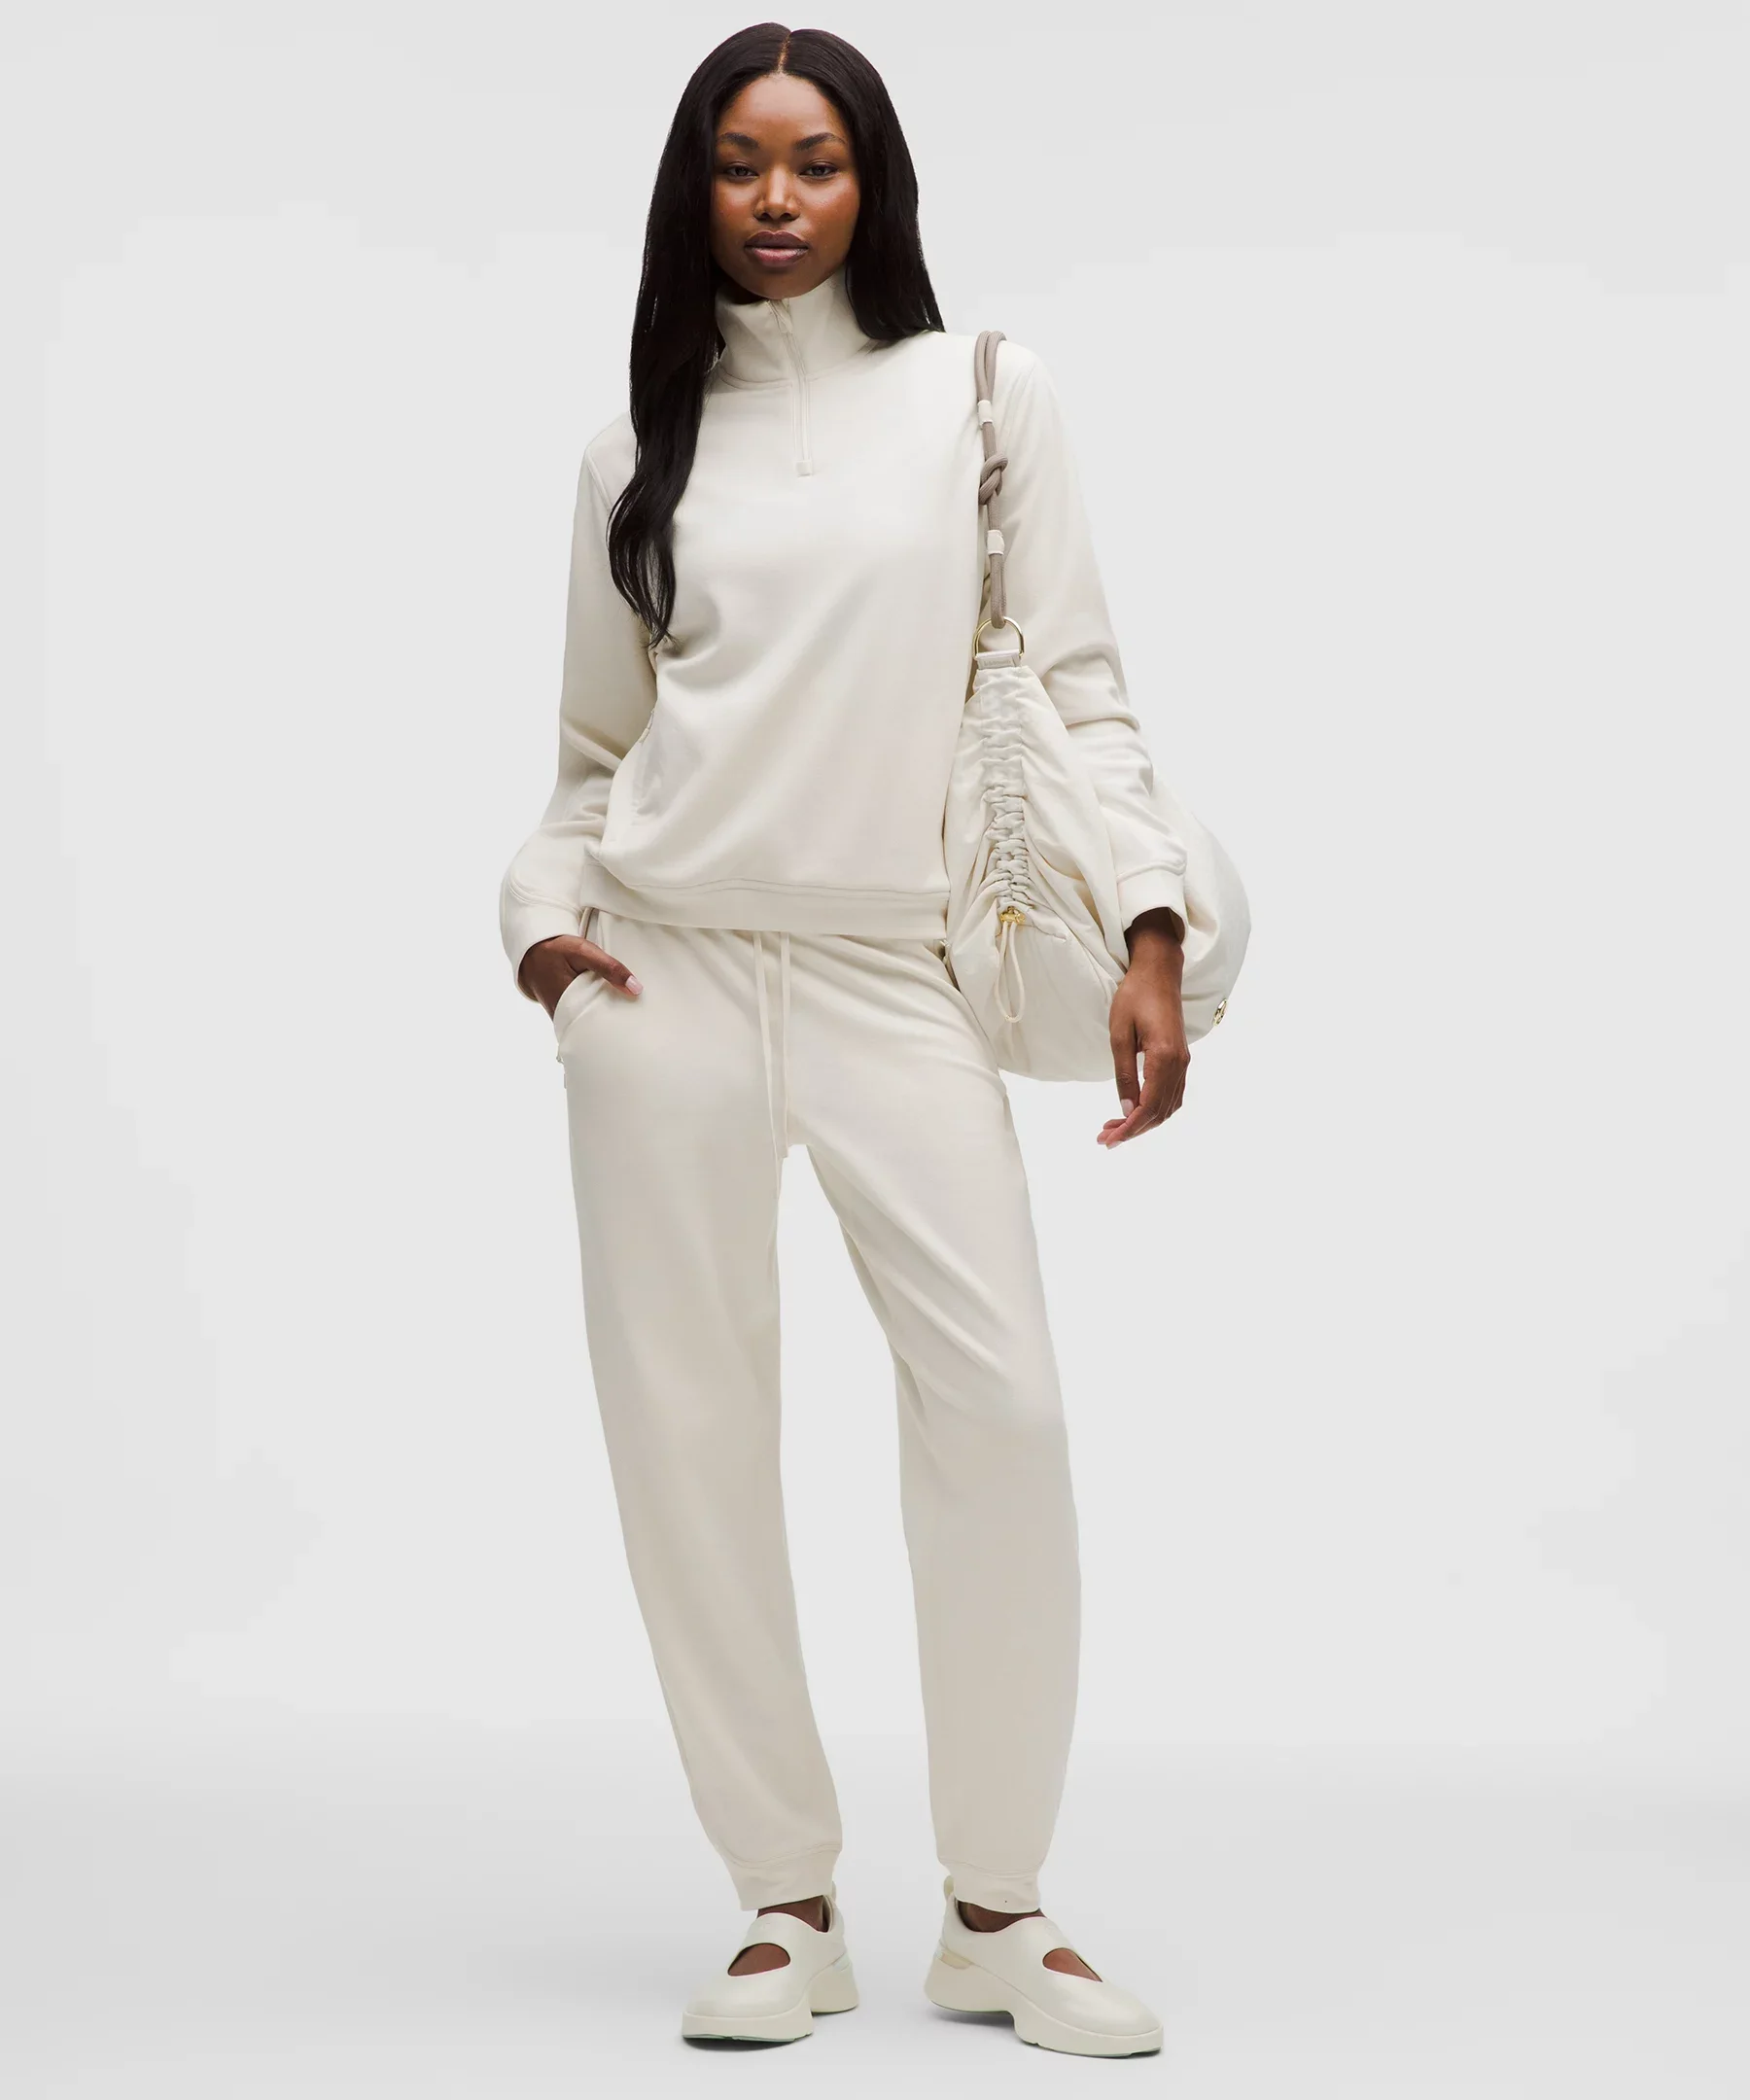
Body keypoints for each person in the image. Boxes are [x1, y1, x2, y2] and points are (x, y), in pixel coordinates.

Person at [499, 23, 1190, 2058]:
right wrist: (546, 939)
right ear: (693, 189)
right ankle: (781, 1902)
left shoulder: (982, 397)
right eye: (740, 163)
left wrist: (1152, 925)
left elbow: (1082, 686)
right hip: (667, 980)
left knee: (1005, 1418)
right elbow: (592, 760)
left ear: (872, 179)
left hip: (901, 973)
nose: (779, 198)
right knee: (690, 1441)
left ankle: (999, 1909)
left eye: (815, 160)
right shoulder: (637, 454)